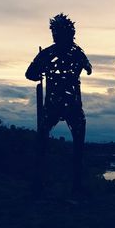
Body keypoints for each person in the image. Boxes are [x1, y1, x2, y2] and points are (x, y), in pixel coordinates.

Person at [25, 13, 92, 196]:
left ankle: (65, 186)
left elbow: (30, 74)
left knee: (48, 144)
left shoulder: (49, 54)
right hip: (62, 104)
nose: (54, 35)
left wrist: (42, 70)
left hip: (64, 104)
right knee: (48, 145)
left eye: (57, 32)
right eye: (53, 32)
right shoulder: (72, 53)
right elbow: (88, 69)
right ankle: (46, 184)